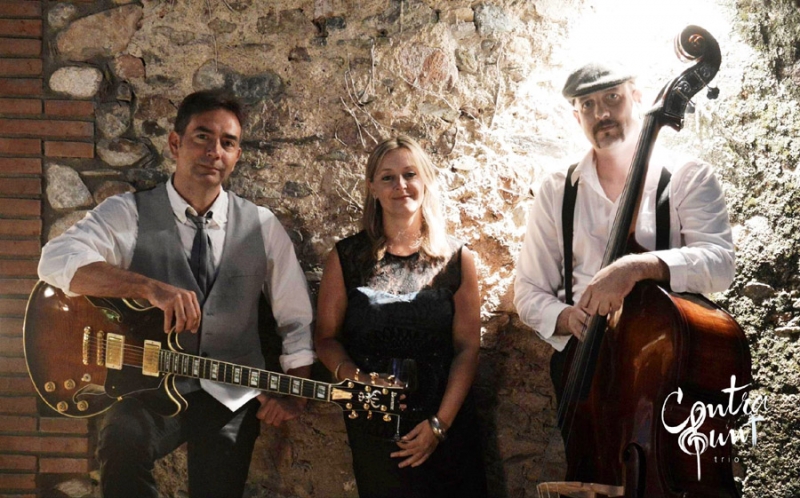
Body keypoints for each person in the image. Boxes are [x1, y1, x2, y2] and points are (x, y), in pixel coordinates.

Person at [37, 90, 315, 498]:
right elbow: (55, 260)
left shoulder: (262, 225)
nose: (214, 151)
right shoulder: (128, 212)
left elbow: (296, 318)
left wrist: (296, 392)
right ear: (174, 143)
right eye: (202, 136)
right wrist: (148, 287)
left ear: (236, 155)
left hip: (230, 393)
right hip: (146, 386)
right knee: (120, 443)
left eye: (228, 142)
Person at [514, 62, 735, 397]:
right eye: (587, 104)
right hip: (585, 371)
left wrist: (635, 268)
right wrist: (567, 318)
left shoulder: (688, 176)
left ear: (637, 97)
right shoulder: (557, 190)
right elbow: (529, 290)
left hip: (663, 364)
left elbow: (720, 264)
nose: (601, 113)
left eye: (612, 97)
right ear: (576, 117)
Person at [314, 136, 488, 497]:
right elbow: (326, 339)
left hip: (446, 423)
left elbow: (468, 348)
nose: (401, 185)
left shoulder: (457, 259)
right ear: (372, 188)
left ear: (425, 181)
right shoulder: (346, 257)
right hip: (375, 422)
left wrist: (439, 425)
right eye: (388, 177)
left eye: (410, 174)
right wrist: (359, 380)